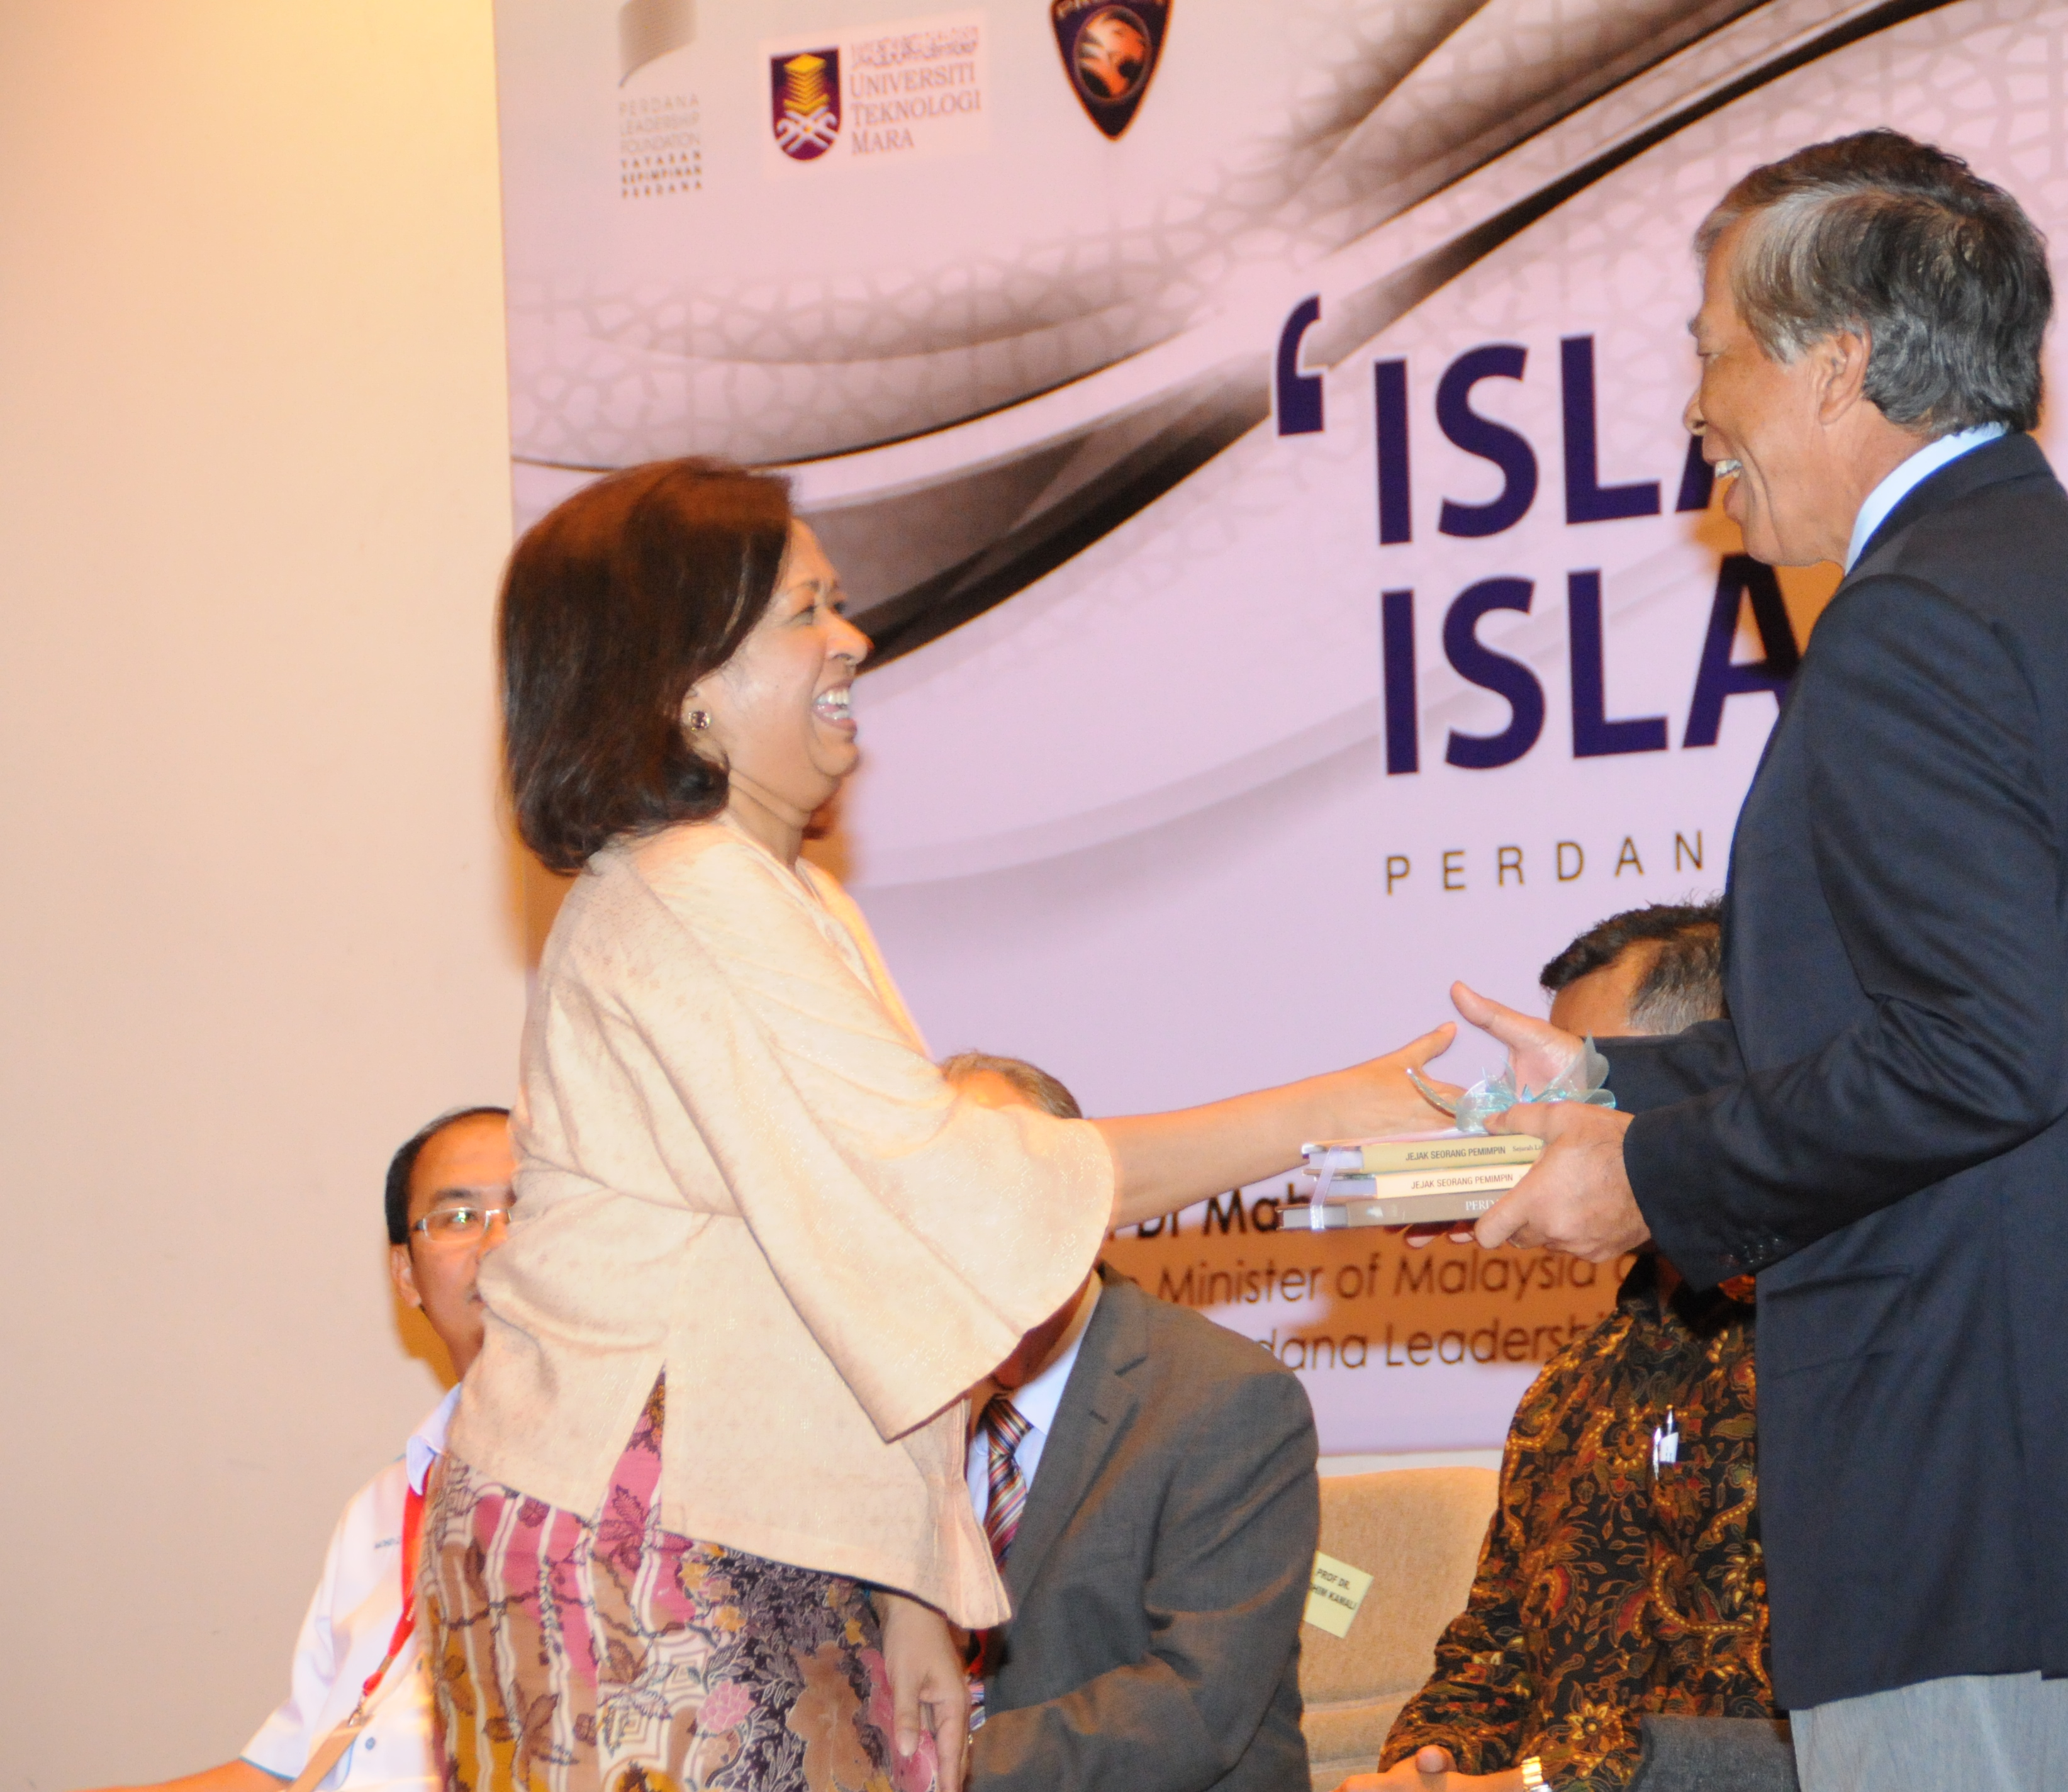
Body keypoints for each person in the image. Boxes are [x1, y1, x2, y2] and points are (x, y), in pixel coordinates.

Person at [1447, 132, 2068, 1791]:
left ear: (1833, 364)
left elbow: (1976, 1049)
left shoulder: (1911, 619)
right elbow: (1950, 1010)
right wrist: (1612, 1078)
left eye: (1712, 351)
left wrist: (1650, 1177)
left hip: (1969, 1503)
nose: (1694, 409)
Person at [434, 458, 1446, 1792]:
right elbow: (960, 1200)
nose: (853, 639)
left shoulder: (784, 895)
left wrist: (913, 1583)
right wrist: (1323, 1114)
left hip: (761, 1516)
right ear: (687, 688)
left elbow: (880, 1280)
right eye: (804, 611)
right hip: (652, 1528)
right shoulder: (691, 893)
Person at [1354, 903, 1772, 1792]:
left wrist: (1543, 1787)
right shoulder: (1573, 1386)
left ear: (1707, 1077)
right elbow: (1492, 1647)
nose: (1538, 1121)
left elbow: (1806, 1728)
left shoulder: (1827, 1356)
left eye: (1584, 1084)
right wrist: (1426, 1768)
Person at [82, 1107, 515, 1792]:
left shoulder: (650, 1493)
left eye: (529, 1209)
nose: (498, 1241)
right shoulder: (381, 1508)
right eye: (458, 1217)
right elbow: (280, 1774)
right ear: (405, 1275)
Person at [932, 1052, 1321, 1792]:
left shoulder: (1227, 1399)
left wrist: (931, 1761)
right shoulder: (901, 1399)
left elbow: (1196, 1704)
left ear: (1083, 1210)